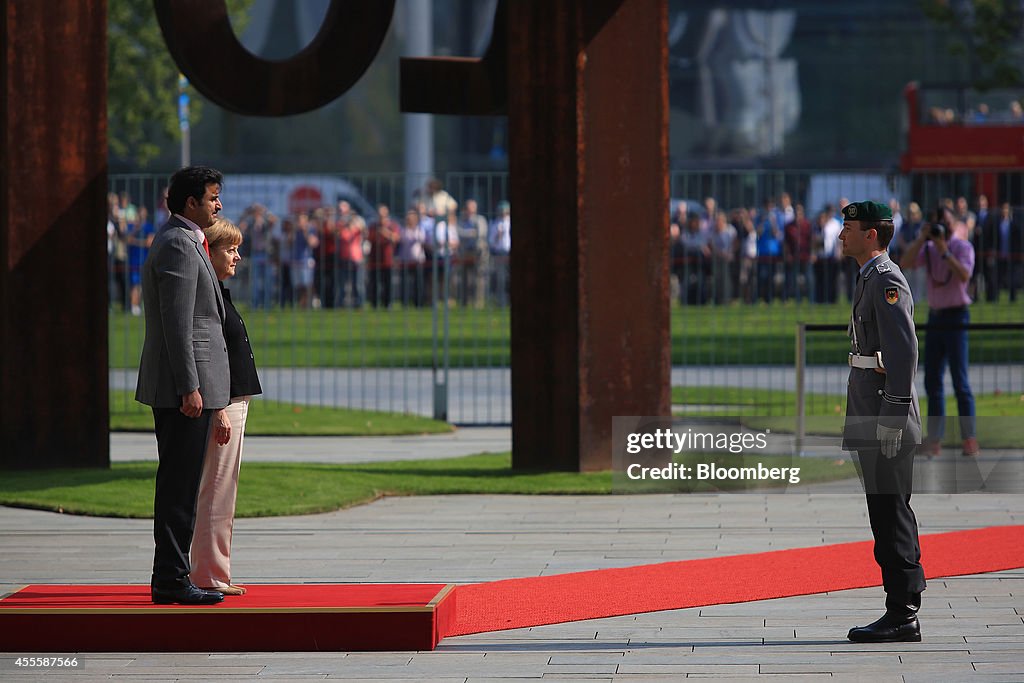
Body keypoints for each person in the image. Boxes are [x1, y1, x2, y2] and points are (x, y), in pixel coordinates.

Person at [135, 166, 230, 606]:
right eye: (212, 197)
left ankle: (172, 576)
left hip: (189, 387)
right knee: (178, 486)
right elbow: (178, 324)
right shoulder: (177, 243)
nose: (218, 204)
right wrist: (190, 387)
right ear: (190, 202)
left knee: (183, 484)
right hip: (182, 391)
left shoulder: (187, 239)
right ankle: (171, 579)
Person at [839, 200, 925, 644]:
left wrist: (892, 416)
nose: (841, 235)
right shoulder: (869, 277)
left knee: (892, 515)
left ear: (872, 234)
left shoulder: (887, 279)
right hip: (869, 414)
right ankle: (899, 606)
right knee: (883, 513)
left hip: (883, 418)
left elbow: (903, 352)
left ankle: (904, 611)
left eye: (849, 228)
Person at [190, 218, 262, 596]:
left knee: (222, 489)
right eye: (230, 250)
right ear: (209, 253)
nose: (237, 256)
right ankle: (208, 575)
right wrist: (218, 407)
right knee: (216, 491)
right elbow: (205, 354)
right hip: (224, 403)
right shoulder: (208, 295)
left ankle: (214, 570)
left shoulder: (219, 292)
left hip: (232, 401)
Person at [900, 206, 979, 458]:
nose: (940, 228)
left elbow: (965, 274)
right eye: (936, 223)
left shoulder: (962, 247)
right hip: (936, 316)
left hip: (957, 316)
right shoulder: (929, 248)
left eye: (943, 223)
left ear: (954, 223)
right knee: (932, 380)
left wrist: (945, 252)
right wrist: (922, 239)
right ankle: (934, 440)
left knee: (960, 381)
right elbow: (906, 262)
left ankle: (970, 438)